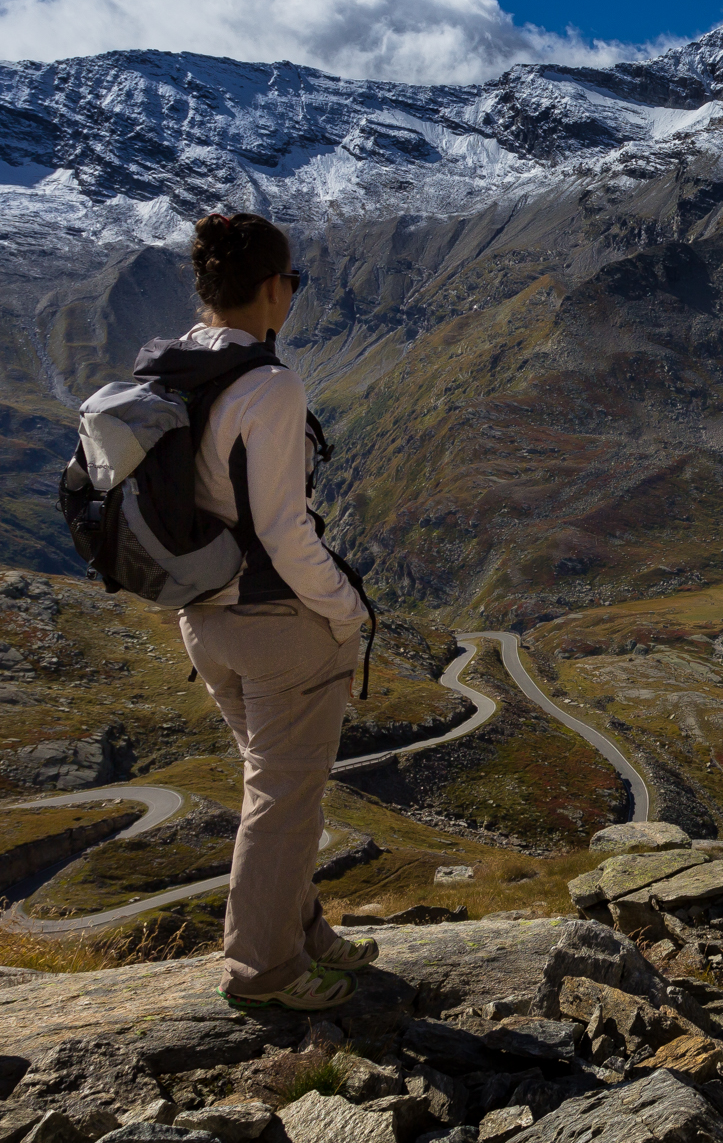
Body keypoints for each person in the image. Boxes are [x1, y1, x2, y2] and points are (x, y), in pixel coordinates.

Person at [173, 211, 376, 1011]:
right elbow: (286, 533)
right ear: (268, 289)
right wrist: (346, 610)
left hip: (202, 621)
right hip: (274, 624)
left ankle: (304, 933)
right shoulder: (269, 384)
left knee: (283, 791)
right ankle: (263, 970)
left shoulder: (175, 370)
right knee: (283, 799)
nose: (291, 294)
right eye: (291, 281)